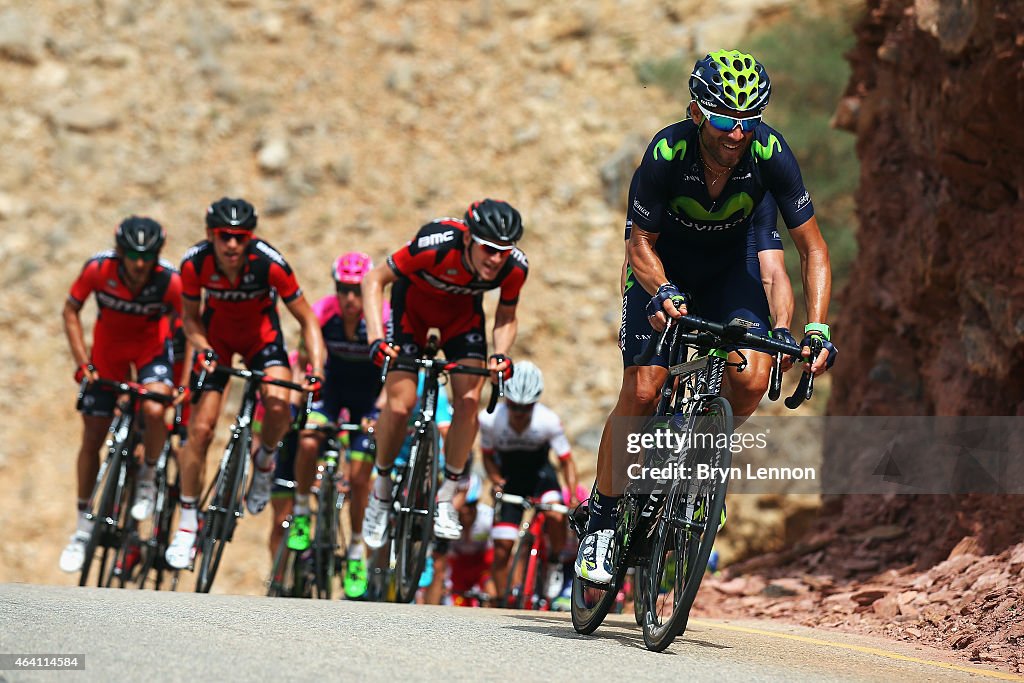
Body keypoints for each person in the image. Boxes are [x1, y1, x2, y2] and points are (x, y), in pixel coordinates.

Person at [577, 50, 839, 585]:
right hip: (661, 267)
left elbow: (809, 252)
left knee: (752, 374)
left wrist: (815, 328)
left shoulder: (771, 153)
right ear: (698, 113)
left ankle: (700, 469)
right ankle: (602, 521)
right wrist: (664, 291)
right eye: (723, 119)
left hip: (726, 271)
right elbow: (638, 246)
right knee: (645, 391)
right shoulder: (667, 151)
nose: (736, 133)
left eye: (748, 120)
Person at [165, 197, 325, 570]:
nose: (232, 244)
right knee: (200, 431)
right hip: (216, 343)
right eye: (225, 237)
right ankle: (187, 524)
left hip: (262, 343)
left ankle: (265, 459)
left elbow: (308, 320)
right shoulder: (194, 263)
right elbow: (190, 319)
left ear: (250, 238)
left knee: (278, 404)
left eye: (240, 237)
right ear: (211, 235)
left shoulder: (269, 263)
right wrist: (202, 347)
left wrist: (315, 367)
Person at [361, 199, 527, 547]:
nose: (496, 259)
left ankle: (447, 494)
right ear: (468, 238)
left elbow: (507, 315)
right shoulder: (433, 245)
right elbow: (374, 279)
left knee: (468, 403)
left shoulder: (514, 267)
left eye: (504, 251)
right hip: (411, 316)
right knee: (400, 405)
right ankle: (382, 487)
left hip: (461, 323)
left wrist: (500, 354)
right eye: (488, 249)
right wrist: (376, 338)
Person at [60, 217, 182, 572]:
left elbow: (191, 325)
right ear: (119, 252)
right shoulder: (98, 270)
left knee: (156, 410)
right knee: (93, 436)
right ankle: (82, 528)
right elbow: (71, 310)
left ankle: (146, 476)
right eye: (132, 255)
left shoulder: (169, 280)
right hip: (108, 357)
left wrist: (183, 384)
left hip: (150, 356)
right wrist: (83, 363)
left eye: (147, 255)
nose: (140, 263)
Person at [293, 252, 388, 599]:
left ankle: (356, 552)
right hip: (332, 390)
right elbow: (306, 357)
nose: (350, 299)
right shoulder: (322, 311)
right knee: (307, 439)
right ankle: (302, 510)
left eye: (356, 291)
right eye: (343, 290)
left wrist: (377, 412)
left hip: (369, 398)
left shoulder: (383, 317)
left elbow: (394, 375)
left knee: (361, 477)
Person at [479, 361, 580, 601]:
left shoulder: (548, 420)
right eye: (514, 407)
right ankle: (503, 601)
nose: (519, 414)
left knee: (557, 514)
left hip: (541, 478)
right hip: (511, 481)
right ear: (506, 401)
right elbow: (486, 457)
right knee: (502, 548)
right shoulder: (489, 419)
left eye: (526, 409)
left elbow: (566, 461)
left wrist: (573, 496)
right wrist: (494, 479)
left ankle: (555, 561)